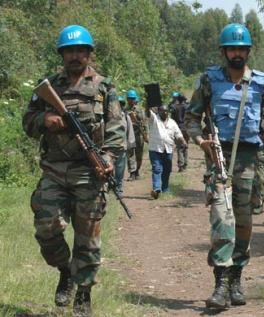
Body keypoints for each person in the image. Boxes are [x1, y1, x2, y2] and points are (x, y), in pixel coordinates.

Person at [185, 23, 264, 309]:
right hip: (219, 158)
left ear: (248, 51)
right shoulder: (209, 81)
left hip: (250, 160)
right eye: (232, 49)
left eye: (242, 49)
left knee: (244, 222)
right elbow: (191, 119)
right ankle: (221, 284)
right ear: (224, 51)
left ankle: (236, 277)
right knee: (222, 221)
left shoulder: (262, 83)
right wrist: (201, 143)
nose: (237, 53)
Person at [22, 25, 125, 316]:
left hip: (89, 173)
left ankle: (83, 293)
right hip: (54, 170)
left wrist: (107, 157)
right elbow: (27, 123)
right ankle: (65, 271)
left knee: (88, 238)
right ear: (62, 55)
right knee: (47, 228)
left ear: (89, 54)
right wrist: (46, 119)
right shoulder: (48, 87)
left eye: (81, 51)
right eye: (70, 51)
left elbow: (117, 131)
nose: (76, 56)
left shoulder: (105, 88)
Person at [147, 105, 186, 199]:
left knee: (167, 170)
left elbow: (178, 134)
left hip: (168, 149)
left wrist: (183, 142)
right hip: (155, 149)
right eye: (162, 111)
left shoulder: (172, 122)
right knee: (157, 169)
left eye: (166, 111)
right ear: (158, 111)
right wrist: (148, 104)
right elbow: (148, 113)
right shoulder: (154, 119)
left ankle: (165, 188)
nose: (165, 112)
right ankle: (156, 189)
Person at [113, 96, 136, 197]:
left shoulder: (125, 117)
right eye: (118, 104)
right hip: (109, 148)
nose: (120, 106)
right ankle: (110, 187)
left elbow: (130, 132)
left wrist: (131, 145)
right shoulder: (109, 116)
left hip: (122, 147)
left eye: (122, 104)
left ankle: (119, 189)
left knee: (120, 171)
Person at [126, 89, 148, 180]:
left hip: (139, 134)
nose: (131, 100)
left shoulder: (140, 110)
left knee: (139, 155)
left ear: (136, 99)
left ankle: (137, 171)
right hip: (129, 135)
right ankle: (132, 173)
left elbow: (144, 123)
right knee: (130, 154)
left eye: (133, 98)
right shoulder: (125, 110)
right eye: (129, 98)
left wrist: (146, 135)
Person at [169, 91, 190, 172]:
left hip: (178, 129)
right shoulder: (187, 107)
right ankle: (185, 164)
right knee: (185, 146)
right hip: (186, 128)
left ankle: (181, 165)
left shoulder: (174, 107)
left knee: (179, 147)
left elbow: (172, 118)